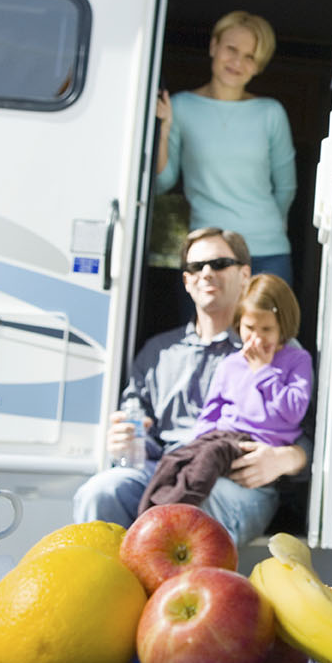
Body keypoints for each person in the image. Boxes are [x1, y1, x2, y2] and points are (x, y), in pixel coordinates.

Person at [73, 227, 308, 547]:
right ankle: (101, 591)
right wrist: (124, 441)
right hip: (167, 468)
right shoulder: (158, 353)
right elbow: (139, 429)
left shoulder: (275, 347)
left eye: (219, 263)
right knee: (99, 492)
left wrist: (286, 459)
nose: (207, 273)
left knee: (195, 510)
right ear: (186, 281)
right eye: (196, 267)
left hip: (239, 478)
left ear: (244, 275)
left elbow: (310, 432)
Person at [140, 274, 313, 534]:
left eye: (266, 330)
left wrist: (263, 372)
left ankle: (175, 520)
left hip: (252, 444)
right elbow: (211, 412)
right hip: (220, 436)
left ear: (283, 327)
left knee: (208, 459)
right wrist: (197, 443)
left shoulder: (296, 360)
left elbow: (293, 411)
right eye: (249, 328)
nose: (256, 339)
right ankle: (148, 517)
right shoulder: (230, 364)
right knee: (176, 460)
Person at [155, 10, 296, 286]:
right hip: (207, 252)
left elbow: (286, 187)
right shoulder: (182, 106)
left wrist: (263, 230)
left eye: (250, 57)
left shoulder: (271, 113)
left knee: (265, 331)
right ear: (213, 46)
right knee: (206, 332)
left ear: (259, 66)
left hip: (268, 253)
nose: (237, 62)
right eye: (231, 49)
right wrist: (165, 130)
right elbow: (162, 182)